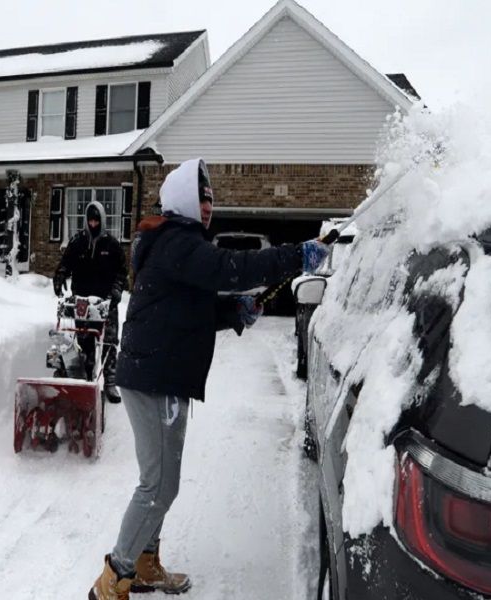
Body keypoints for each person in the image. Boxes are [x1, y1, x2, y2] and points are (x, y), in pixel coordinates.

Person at [87, 158, 329, 599]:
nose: (208, 206)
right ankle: (112, 581)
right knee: (158, 486)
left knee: (160, 482)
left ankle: (144, 563)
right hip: (157, 378)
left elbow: (189, 309)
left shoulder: (174, 243)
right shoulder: (178, 241)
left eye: (211, 199)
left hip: (160, 374)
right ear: (182, 199)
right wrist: (298, 256)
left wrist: (234, 310)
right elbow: (232, 267)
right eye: (201, 198)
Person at [54, 200, 129, 404]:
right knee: (85, 340)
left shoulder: (112, 245)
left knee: (109, 342)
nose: (93, 224)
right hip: (83, 302)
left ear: (102, 220)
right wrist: (60, 276)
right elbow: (65, 263)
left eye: (96, 220)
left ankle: (110, 382)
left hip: (105, 302)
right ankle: (86, 380)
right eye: (90, 221)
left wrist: (116, 290)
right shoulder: (77, 242)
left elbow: (122, 272)